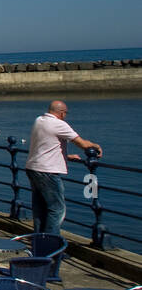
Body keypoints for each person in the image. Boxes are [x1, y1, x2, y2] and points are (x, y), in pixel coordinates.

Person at [25, 100, 102, 236]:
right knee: (57, 209)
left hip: (33, 168)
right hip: (47, 171)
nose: (66, 116)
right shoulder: (59, 124)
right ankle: (51, 245)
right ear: (61, 113)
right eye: (65, 113)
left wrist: (65, 156)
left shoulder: (39, 120)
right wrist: (95, 146)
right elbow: (82, 144)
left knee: (40, 209)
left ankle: (38, 242)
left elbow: (46, 144)